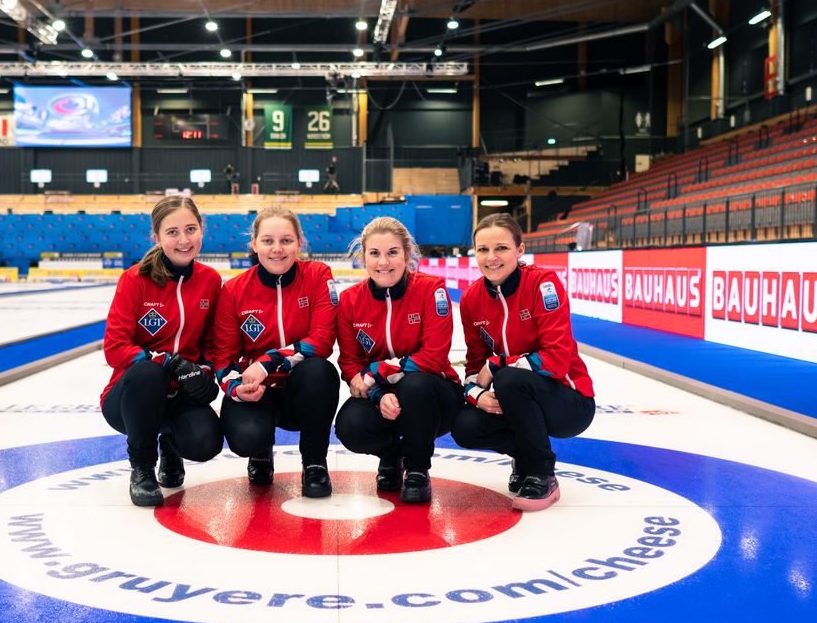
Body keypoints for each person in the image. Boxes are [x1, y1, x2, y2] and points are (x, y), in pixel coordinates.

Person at [452, 213, 595, 511]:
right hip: (513, 397)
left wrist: (500, 364)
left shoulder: (543, 284)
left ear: (519, 250)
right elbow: (474, 367)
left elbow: (556, 360)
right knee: (465, 425)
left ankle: (542, 472)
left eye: (501, 248)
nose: (491, 257)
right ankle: (525, 455)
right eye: (482, 250)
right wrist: (478, 397)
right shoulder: (471, 299)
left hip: (569, 402)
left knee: (508, 379)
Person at [209, 206, 340, 498]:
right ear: (254, 244)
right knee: (246, 438)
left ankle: (315, 462)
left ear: (300, 243)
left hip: (300, 392)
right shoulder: (233, 291)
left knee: (321, 370)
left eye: (286, 240)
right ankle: (260, 453)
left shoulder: (318, 275)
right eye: (268, 241)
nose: (277, 249)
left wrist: (268, 362)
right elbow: (223, 358)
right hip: (257, 393)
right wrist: (235, 389)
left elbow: (322, 339)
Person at [101, 196, 223, 507]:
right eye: (172, 232)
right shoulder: (135, 280)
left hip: (179, 395)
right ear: (156, 237)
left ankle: (171, 446)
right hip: (131, 397)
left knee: (206, 442)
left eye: (191, 229)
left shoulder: (210, 280)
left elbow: (211, 343)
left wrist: (204, 372)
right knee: (148, 373)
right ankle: (142, 467)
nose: (184, 240)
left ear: (202, 231)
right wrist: (169, 362)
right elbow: (115, 348)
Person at [334, 217, 463, 504]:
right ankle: (392, 457)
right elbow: (350, 364)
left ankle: (417, 468)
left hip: (435, 397)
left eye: (392, 252)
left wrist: (378, 372)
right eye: (375, 253)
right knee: (350, 426)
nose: (383, 262)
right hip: (381, 395)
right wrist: (378, 393)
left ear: (407, 254)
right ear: (363, 257)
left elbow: (433, 356)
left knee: (415, 385)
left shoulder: (431, 290)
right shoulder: (350, 301)